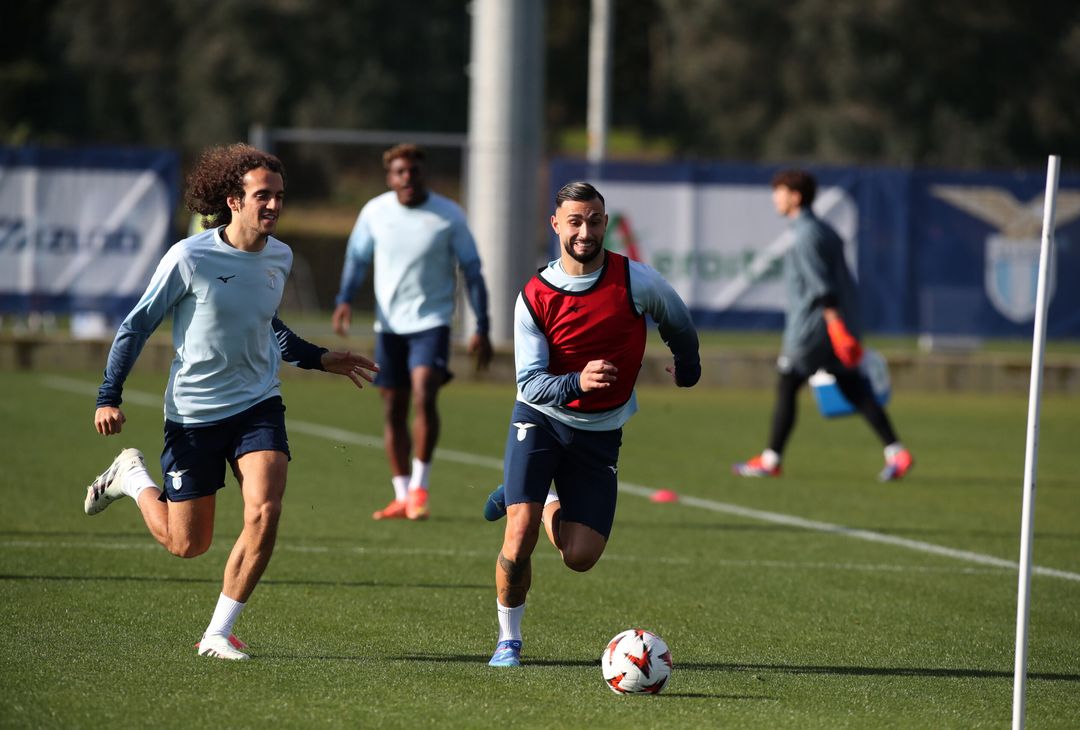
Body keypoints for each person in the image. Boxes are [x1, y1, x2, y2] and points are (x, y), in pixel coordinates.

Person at [84, 143, 378, 661]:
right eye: (263, 195)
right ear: (234, 200)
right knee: (187, 544)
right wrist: (109, 396)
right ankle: (131, 477)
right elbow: (136, 326)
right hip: (193, 415)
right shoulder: (189, 257)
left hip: (258, 405)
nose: (274, 205)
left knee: (264, 510)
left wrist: (318, 358)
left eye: (279, 195)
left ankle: (217, 633)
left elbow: (268, 325)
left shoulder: (280, 257)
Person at [482, 181, 701, 667]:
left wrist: (688, 368)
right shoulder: (535, 296)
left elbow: (679, 322)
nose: (585, 232)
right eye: (575, 221)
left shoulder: (636, 281)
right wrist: (577, 381)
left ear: (605, 223)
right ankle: (508, 640)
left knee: (580, 557)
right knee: (519, 535)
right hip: (540, 420)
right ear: (556, 225)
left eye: (595, 221)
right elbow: (530, 384)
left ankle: (543, 498)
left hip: (600, 431)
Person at [332, 143, 492, 521]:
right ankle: (401, 494)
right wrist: (344, 299)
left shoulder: (448, 214)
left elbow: (472, 270)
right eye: (399, 172)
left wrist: (482, 325)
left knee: (424, 393)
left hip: (431, 323)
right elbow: (356, 259)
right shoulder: (375, 212)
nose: (407, 178)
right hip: (389, 327)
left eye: (413, 171)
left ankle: (420, 487)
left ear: (424, 174)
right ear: (390, 178)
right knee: (393, 406)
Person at [732, 168, 913, 481]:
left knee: (787, 383)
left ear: (795, 197)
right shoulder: (823, 229)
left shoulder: (805, 234)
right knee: (853, 388)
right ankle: (896, 451)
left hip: (813, 328)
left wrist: (834, 324)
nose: (775, 198)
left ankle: (771, 460)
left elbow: (822, 286)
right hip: (832, 324)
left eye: (780, 192)